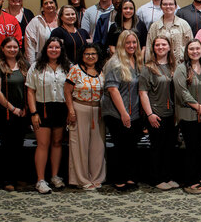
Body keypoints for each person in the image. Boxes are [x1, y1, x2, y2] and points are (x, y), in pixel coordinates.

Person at [26, 37, 70, 194]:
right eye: (51, 47)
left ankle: (55, 176)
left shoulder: (67, 67)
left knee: (57, 143)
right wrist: (33, 113)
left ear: (61, 50)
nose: (54, 50)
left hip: (61, 108)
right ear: (46, 49)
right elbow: (30, 91)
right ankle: (40, 180)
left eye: (57, 47)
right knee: (43, 144)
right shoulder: (36, 67)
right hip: (42, 108)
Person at [101, 30, 143, 191]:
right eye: (128, 43)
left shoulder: (137, 61)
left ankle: (130, 177)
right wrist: (124, 113)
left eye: (134, 42)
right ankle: (119, 179)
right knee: (121, 147)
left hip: (134, 113)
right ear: (121, 44)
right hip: (117, 113)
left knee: (131, 147)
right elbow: (112, 90)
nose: (131, 45)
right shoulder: (115, 63)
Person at [0, 37, 29, 192]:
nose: (13, 50)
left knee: (19, 146)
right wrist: (12, 108)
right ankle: (7, 179)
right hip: (5, 112)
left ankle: (19, 176)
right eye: (9, 47)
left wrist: (24, 108)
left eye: (15, 47)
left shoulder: (24, 65)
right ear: (3, 49)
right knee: (7, 146)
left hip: (22, 112)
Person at [139, 37, 179, 191]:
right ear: (153, 48)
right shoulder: (148, 68)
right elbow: (143, 93)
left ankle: (167, 177)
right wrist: (149, 114)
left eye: (164, 44)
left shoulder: (174, 66)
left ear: (169, 47)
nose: (160, 47)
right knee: (157, 148)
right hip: (156, 114)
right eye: (157, 45)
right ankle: (157, 178)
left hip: (172, 114)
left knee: (169, 147)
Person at [64, 43, 106, 190]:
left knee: (98, 146)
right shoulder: (75, 70)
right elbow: (67, 91)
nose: (90, 56)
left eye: (93, 54)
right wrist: (71, 111)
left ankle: (96, 177)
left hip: (98, 111)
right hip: (79, 108)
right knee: (80, 145)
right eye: (87, 54)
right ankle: (81, 179)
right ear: (82, 55)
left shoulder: (102, 70)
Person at [175, 39, 201, 194]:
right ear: (187, 51)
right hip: (188, 114)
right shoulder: (181, 68)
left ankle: (198, 177)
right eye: (191, 49)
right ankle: (189, 181)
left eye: (198, 48)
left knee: (200, 148)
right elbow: (181, 91)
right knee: (191, 149)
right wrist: (197, 106)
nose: (195, 51)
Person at [145, 0, 193, 64]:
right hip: (160, 68)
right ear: (161, 7)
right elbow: (149, 49)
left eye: (171, 4)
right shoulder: (154, 27)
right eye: (165, 4)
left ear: (176, 6)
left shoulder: (184, 24)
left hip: (180, 66)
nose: (168, 6)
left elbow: (191, 46)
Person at [25, 0, 60, 66]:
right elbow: (30, 46)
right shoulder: (36, 21)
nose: (49, 5)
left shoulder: (62, 19)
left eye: (51, 2)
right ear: (42, 6)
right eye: (46, 3)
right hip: (42, 63)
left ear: (55, 4)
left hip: (61, 62)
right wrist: (32, 65)